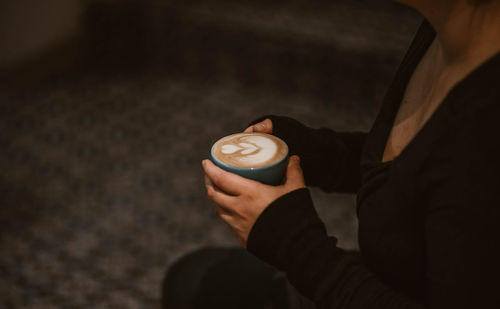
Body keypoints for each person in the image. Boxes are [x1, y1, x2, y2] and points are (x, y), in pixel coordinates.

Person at [163, 0, 500, 307]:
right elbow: (423, 170)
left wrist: (298, 249)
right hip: (392, 278)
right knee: (192, 279)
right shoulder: (446, 30)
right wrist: (322, 153)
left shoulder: (486, 126)